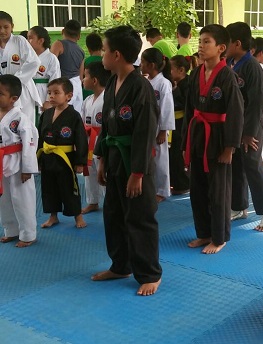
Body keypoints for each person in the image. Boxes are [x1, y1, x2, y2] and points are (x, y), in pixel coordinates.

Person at [91, 26, 162, 296]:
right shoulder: (112, 82)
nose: (100, 55)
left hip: (135, 162)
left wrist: (138, 173)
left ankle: (150, 273)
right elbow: (106, 126)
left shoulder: (141, 87)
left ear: (116, 54)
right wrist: (101, 160)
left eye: (104, 50)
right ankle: (121, 265)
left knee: (140, 217)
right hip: (115, 159)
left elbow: (146, 134)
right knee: (114, 215)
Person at [181, 24, 244, 254]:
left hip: (218, 136)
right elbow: (189, 109)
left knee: (218, 191)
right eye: (200, 41)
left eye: (207, 41)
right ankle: (203, 233)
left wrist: (230, 147)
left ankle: (219, 237)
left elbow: (236, 113)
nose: (201, 45)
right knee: (197, 188)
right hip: (198, 133)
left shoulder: (228, 76)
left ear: (221, 48)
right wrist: (184, 143)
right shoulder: (196, 73)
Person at [226, 22, 263, 231]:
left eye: (226, 42)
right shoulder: (230, 62)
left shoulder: (253, 67)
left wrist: (248, 133)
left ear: (237, 43)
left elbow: (257, 102)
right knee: (236, 165)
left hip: (251, 125)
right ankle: (239, 206)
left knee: (253, 166)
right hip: (234, 123)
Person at [37, 77, 88, 229]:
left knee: (69, 187)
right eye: (49, 93)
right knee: (49, 187)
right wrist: (38, 159)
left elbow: (81, 139)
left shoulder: (74, 116)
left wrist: (80, 162)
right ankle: (53, 216)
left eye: (56, 93)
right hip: (47, 156)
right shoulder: (46, 114)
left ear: (69, 96)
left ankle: (78, 216)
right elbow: (41, 137)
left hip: (65, 158)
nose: (51, 96)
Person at [0, 75, 39, 247]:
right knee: (4, 200)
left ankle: (28, 234)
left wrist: (28, 168)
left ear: (14, 99)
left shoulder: (21, 119)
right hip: (2, 164)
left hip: (18, 164)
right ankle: (11, 230)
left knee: (23, 199)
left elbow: (30, 144)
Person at [140, 48, 175, 203]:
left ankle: (162, 190)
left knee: (160, 159)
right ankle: (151, 187)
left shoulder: (164, 83)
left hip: (159, 126)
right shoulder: (147, 82)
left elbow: (167, 108)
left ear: (151, 65)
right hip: (147, 126)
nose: (140, 65)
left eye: (143, 62)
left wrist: (163, 130)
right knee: (149, 159)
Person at [0, 11, 41, 125]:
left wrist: (14, 81)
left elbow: (34, 62)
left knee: (25, 124)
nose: (2, 31)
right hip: (2, 92)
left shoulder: (19, 41)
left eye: (6, 27)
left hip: (22, 89)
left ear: (12, 26)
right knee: (6, 125)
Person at [80, 61, 110, 214]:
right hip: (88, 140)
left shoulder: (108, 99)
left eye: (85, 76)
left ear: (95, 80)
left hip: (102, 140)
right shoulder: (87, 100)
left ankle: (109, 202)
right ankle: (92, 201)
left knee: (103, 171)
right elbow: (83, 122)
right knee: (89, 170)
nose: (82, 79)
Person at [50, 19, 85, 113]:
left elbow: (50, 65)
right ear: (79, 36)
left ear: (62, 31)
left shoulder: (58, 44)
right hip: (76, 86)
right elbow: (81, 76)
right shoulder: (81, 51)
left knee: (60, 115)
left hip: (62, 86)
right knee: (75, 115)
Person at [169, 55, 193, 194]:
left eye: (171, 69)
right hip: (173, 122)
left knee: (179, 153)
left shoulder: (188, 84)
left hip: (182, 122)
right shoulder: (173, 84)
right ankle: (175, 182)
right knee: (172, 154)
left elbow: (186, 104)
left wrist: (176, 90)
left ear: (181, 70)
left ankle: (183, 184)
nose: (169, 72)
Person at [27, 26, 61, 120]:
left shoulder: (51, 58)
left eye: (30, 38)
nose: (27, 40)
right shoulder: (27, 57)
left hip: (43, 92)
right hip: (28, 91)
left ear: (41, 41)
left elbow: (55, 80)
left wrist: (49, 100)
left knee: (42, 120)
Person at [79, 32, 103, 100]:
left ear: (88, 48)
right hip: (102, 92)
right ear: (101, 46)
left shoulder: (86, 61)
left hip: (87, 92)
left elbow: (81, 77)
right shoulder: (105, 62)